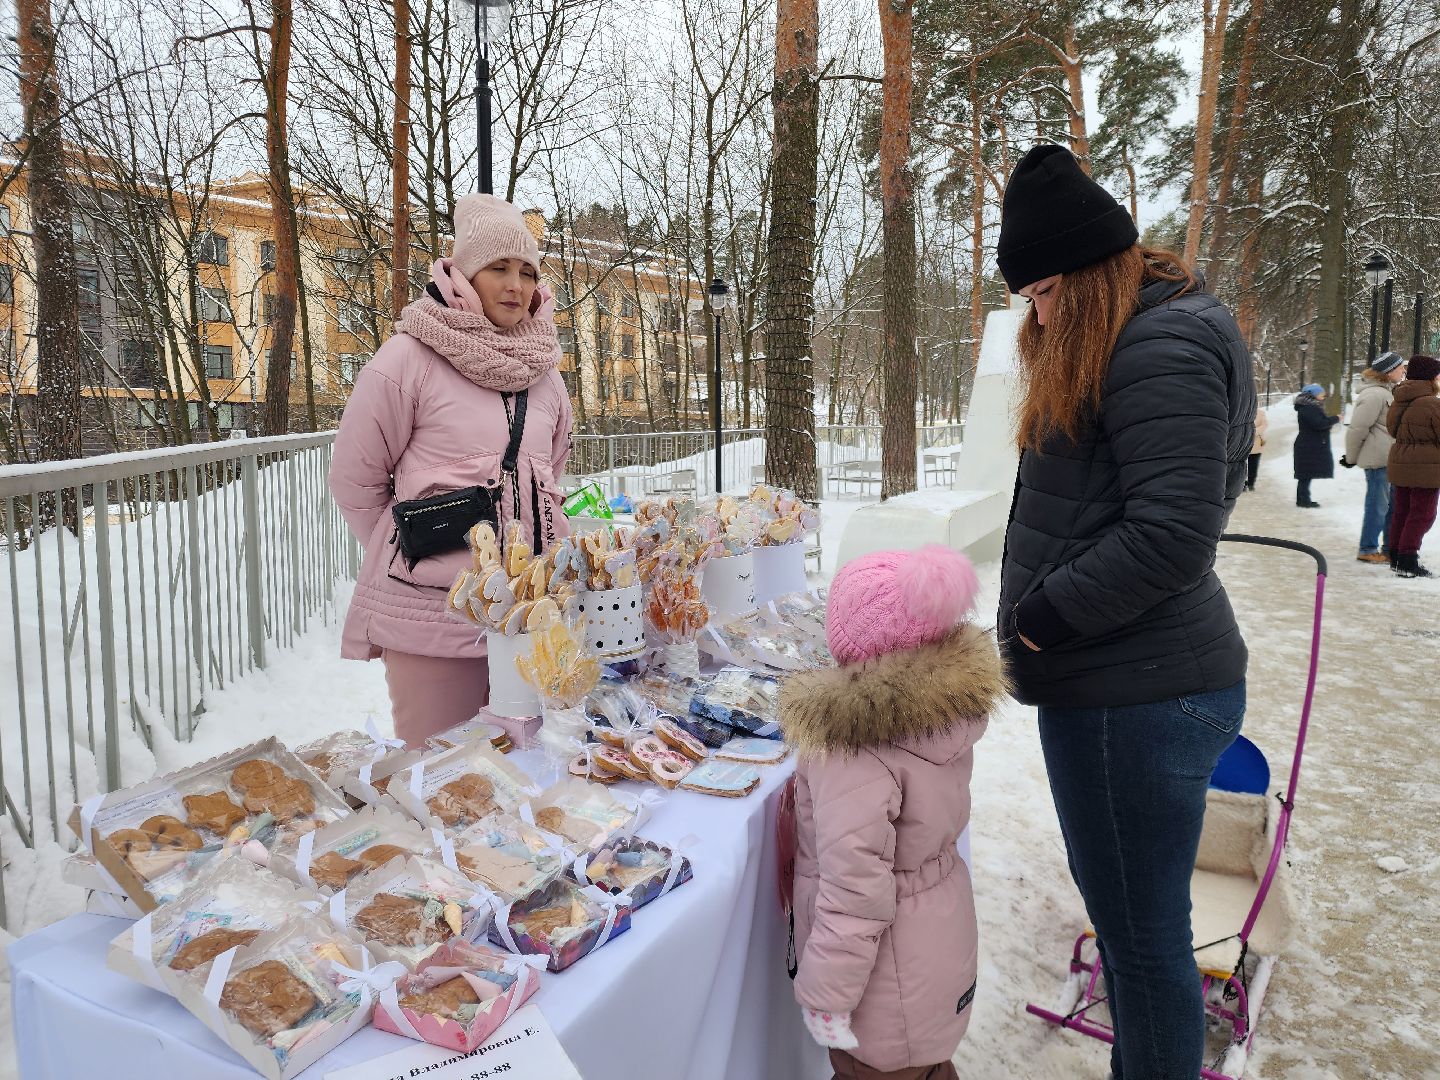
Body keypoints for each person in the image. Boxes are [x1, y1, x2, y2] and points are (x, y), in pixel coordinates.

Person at [994, 144, 1254, 1080]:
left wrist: (1041, 620)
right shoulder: (1144, 334)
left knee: (1141, 944)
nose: (1040, 312)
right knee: (1138, 932)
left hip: (1129, 697)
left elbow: (1173, 533)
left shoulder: (1157, 344)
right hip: (1134, 682)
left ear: (1091, 272)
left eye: (1046, 291)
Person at [329, 194, 572, 748]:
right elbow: (355, 478)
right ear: (462, 274)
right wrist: (417, 547)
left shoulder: (546, 377)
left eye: (528, 272)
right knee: (438, 785)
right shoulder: (407, 359)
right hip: (431, 622)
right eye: (498, 269)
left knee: (519, 788)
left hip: (525, 621)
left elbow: (550, 472)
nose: (515, 285)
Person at [778, 545, 1003, 1080]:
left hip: (883, 986)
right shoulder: (940, 718)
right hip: (936, 950)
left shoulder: (854, 750)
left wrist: (827, 996)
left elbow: (854, 892)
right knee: (928, 1068)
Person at [1342, 350, 1405, 564]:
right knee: (1378, 506)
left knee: (1391, 507)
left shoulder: (1387, 392)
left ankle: (1388, 548)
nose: (1403, 371)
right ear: (1388, 372)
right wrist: (1350, 458)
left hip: (1389, 459)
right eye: (1399, 368)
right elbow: (1357, 429)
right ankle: (1367, 548)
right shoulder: (1374, 394)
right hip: (1378, 460)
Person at [1386, 354, 1440, 578]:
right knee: (1422, 513)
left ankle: (1397, 556)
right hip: (1425, 468)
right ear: (1429, 377)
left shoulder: (1400, 399)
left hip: (1401, 462)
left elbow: (1392, 430)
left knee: (1403, 511)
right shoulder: (1431, 403)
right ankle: (1408, 560)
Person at [1293, 383, 1338, 507]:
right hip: (1308, 445)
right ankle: (1304, 500)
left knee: (1305, 474)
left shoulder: (1308, 406)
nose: (1323, 396)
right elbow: (1319, 423)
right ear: (1313, 394)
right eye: (1321, 394)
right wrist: (1335, 419)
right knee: (1305, 474)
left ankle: (1302, 499)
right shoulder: (1309, 408)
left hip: (1308, 444)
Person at [1246, 406, 1267, 491]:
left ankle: (1251, 483)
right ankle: (1242, 484)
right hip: (1244, 444)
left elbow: (1264, 425)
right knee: (1241, 465)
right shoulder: (1243, 411)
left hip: (1256, 444)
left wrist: (1252, 431)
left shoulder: (1261, 413)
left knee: (1253, 465)